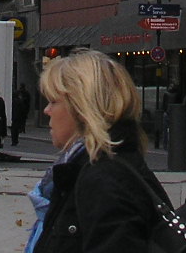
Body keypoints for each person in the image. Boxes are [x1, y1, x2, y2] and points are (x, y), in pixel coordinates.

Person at [25, 49, 162, 253]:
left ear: (81, 108)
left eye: (53, 101)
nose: (46, 110)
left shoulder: (104, 180)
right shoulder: (94, 168)